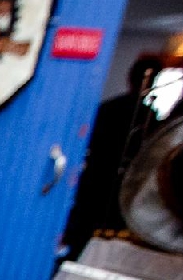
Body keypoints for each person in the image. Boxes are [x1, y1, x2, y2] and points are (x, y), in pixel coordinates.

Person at [63, 56, 162, 258]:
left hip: (108, 182)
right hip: (105, 181)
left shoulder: (138, 113)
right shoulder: (137, 113)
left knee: (90, 234)